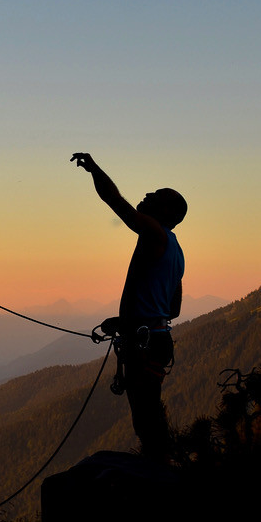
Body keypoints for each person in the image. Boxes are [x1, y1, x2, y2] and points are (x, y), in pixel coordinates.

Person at [71, 152, 187, 460]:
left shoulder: (154, 233)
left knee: (146, 416)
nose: (146, 195)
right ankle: (159, 467)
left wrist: (94, 169)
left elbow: (115, 201)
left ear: (166, 211)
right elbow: (171, 308)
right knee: (149, 411)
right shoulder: (175, 250)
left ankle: (157, 474)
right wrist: (126, 321)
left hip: (144, 342)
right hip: (155, 338)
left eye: (155, 196)